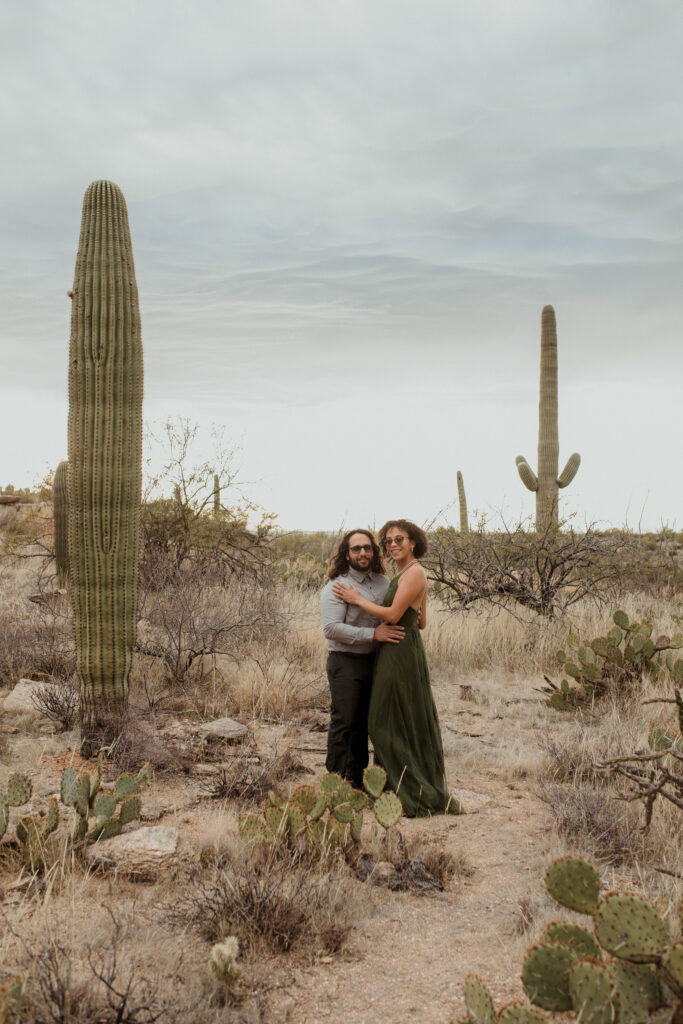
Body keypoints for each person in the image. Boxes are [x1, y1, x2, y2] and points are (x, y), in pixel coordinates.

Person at [332, 519, 460, 817]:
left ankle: (406, 787)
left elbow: (392, 613)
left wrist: (356, 599)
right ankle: (398, 783)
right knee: (400, 716)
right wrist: (409, 615)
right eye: (388, 540)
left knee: (381, 720)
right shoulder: (406, 573)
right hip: (401, 647)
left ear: (413, 542)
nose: (393, 545)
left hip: (399, 652)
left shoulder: (414, 572)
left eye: (399, 539)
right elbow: (422, 622)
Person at [320, 529, 405, 789]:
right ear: (347, 554)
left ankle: (357, 779)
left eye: (367, 547)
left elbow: (393, 613)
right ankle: (333, 781)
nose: (363, 553)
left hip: (376, 662)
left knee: (366, 723)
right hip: (345, 661)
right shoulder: (338, 586)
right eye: (356, 549)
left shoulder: (383, 583)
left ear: (373, 551)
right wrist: (374, 634)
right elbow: (331, 629)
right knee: (344, 721)